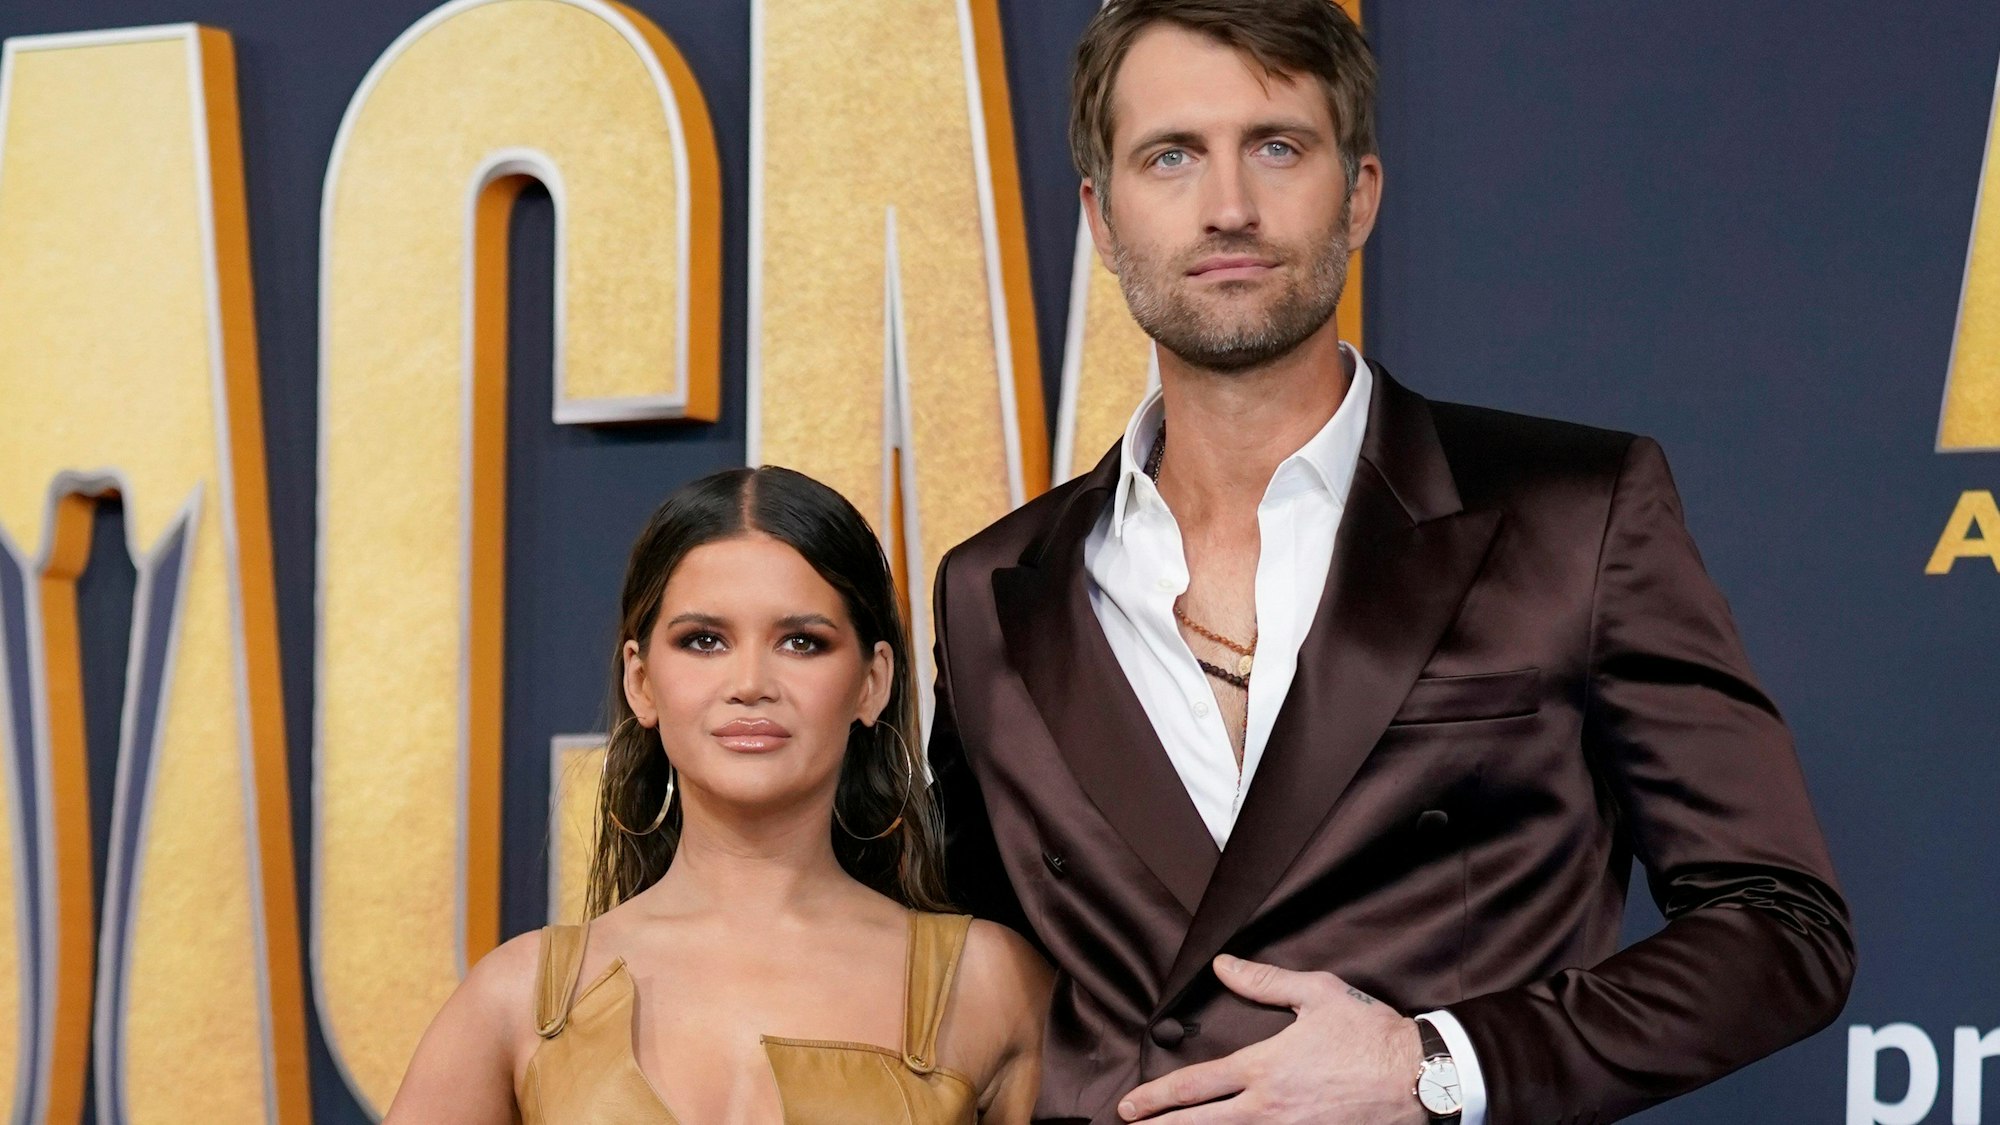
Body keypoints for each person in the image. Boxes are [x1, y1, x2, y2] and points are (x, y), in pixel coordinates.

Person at [926, 2, 1855, 1123]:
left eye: (1276, 146)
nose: (1227, 206)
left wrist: (1434, 1063)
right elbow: (967, 981)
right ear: (1101, 217)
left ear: (1358, 193)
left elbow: (1779, 925)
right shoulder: (991, 589)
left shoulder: (1570, 514)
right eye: (1170, 156)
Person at [388, 466, 1052, 1124]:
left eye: (801, 641)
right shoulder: (518, 997)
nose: (750, 681)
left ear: (871, 682)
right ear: (642, 681)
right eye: (704, 640)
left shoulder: (990, 984)